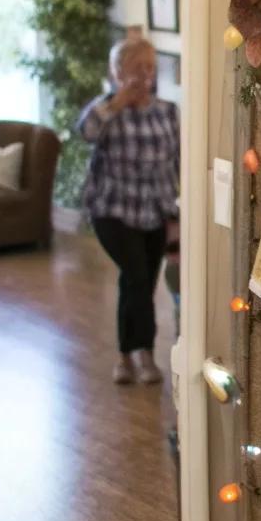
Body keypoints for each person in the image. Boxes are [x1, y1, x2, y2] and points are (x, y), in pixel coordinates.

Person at [77, 37, 179, 385]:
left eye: (149, 68)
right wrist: (116, 103)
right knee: (136, 276)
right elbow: (85, 131)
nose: (144, 76)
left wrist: (175, 216)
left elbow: (176, 165)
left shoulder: (167, 112)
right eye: (136, 68)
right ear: (118, 73)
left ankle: (126, 355)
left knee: (142, 283)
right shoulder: (106, 110)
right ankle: (143, 356)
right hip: (112, 211)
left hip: (154, 212)